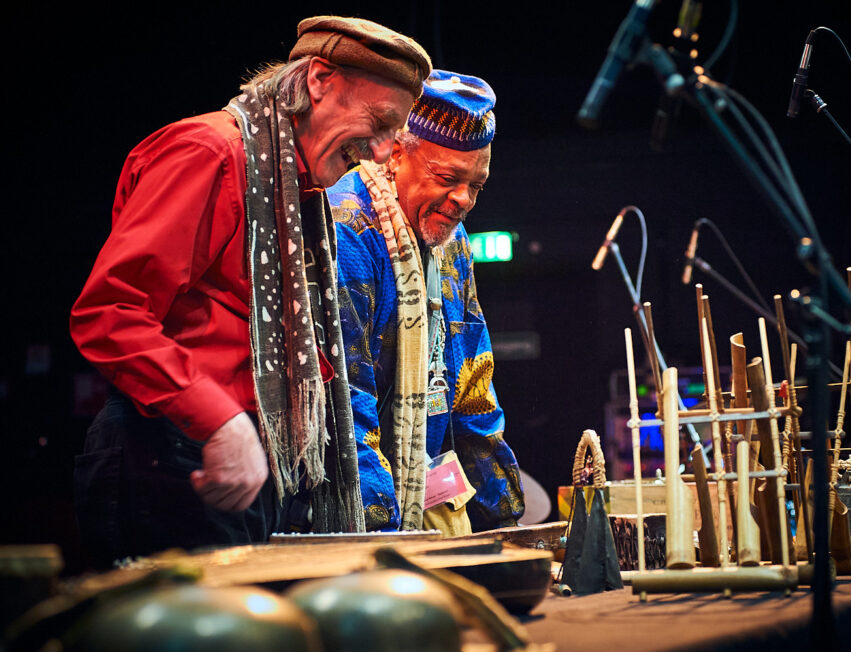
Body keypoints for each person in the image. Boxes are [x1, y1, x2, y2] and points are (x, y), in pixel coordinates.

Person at [69, 16, 431, 567]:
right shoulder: (208, 152)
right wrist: (218, 419)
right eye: (379, 123)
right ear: (319, 80)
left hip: (232, 463)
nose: (382, 153)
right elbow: (110, 313)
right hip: (169, 460)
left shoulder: (298, 188)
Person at [328, 70, 524, 533]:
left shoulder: (453, 243)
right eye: (448, 178)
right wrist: (387, 538)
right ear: (395, 152)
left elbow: (472, 389)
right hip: (357, 515)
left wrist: (508, 521)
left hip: (427, 498)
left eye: (477, 185)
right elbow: (346, 406)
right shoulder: (346, 230)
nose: (463, 200)